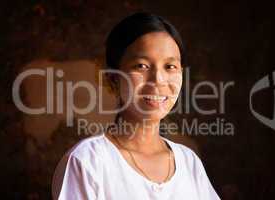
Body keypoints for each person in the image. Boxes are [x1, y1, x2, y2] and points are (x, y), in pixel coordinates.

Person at [52, 12, 221, 200]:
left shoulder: (189, 163)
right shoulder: (87, 162)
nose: (158, 80)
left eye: (170, 66)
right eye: (141, 66)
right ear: (113, 78)